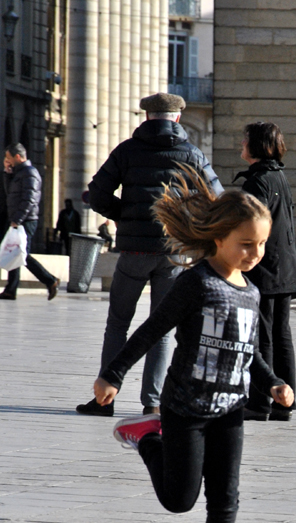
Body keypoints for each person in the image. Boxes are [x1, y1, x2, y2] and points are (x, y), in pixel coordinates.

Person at [91, 171, 293, 523]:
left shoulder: (251, 292)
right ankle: (148, 438)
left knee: (226, 497)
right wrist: (113, 374)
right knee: (179, 501)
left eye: (261, 244)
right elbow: (152, 329)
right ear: (218, 238)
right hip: (185, 407)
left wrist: (274, 382)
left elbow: (248, 350)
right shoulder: (197, 283)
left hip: (230, 410)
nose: (255, 253)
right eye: (246, 244)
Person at [76, 92, 222, 418]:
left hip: (133, 251)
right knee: (162, 326)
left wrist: (124, 215)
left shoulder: (127, 151)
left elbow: (97, 192)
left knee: (117, 324)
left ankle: (104, 400)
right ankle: (152, 403)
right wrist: (187, 225)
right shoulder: (192, 154)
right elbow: (217, 198)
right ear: (178, 118)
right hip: (172, 254)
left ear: (146, 117)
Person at [233, 121, 296, 422]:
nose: (242, 144)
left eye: (246, 139)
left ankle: (260, 402)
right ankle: (284, 403)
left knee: (262, 336)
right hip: (284, 267)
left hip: (264, 268)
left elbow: (251, 228)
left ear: (257, 145)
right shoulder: (279, 177)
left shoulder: (257, 181)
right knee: (280, 335)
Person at [0, 144, 60, 302]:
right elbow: (9, 193)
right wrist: (7, 173)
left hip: (26, 220)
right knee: (15, 252)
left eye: (8, 158)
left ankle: (50, 280)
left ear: (17, 157)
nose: (7, 160)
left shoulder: (30, 173)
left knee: (22, 254)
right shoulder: (19, 173)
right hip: (18, 218)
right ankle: (10, 290)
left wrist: (17, 220)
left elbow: (30, 199)